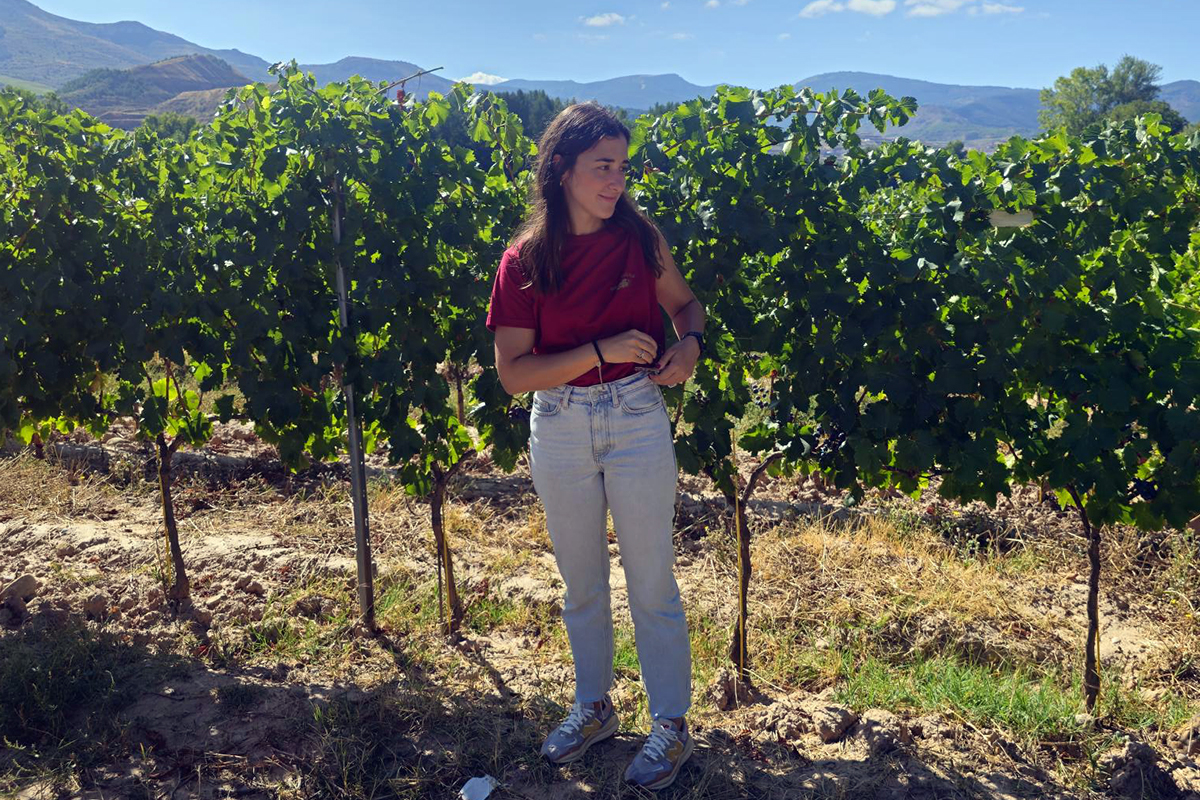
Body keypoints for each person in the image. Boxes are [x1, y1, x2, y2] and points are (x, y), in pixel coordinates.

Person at [486, 101, 706, 791]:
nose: (617, 181)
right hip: (559, 424)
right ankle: (595, 707)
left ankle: (671, 725)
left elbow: (687, 306)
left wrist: (690, 347)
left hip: (637, 416)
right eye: (602, 167)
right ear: (561, 169)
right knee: (581, 584)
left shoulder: (639, 239)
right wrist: (600, 350)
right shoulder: (524, 261)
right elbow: (514, 375)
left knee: (652, 582)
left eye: (622, 167)